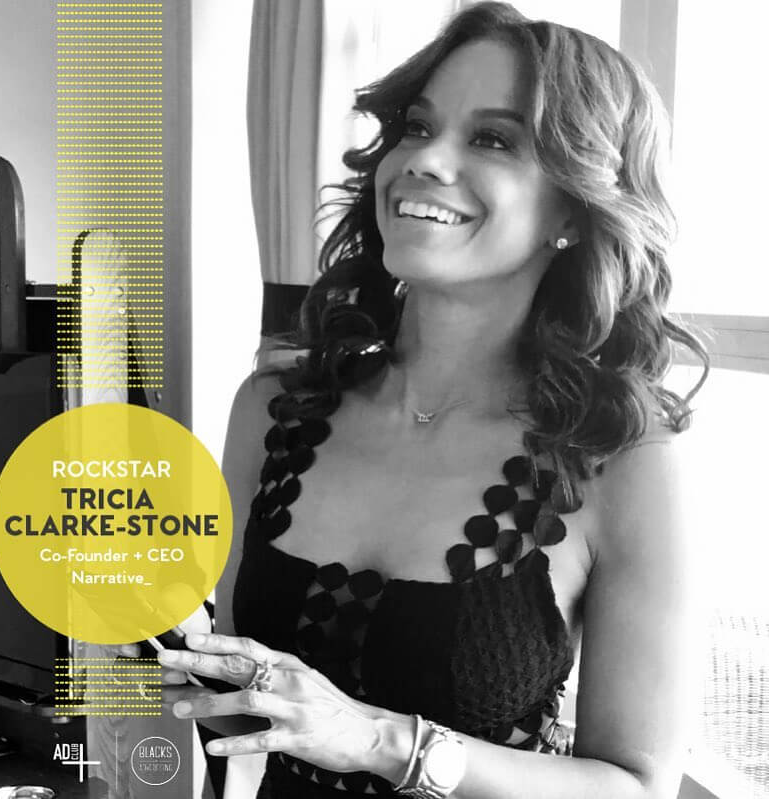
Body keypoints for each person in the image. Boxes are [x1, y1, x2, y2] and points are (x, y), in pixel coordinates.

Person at [156, 3, 709, 797]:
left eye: (493, 139)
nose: (424, 159)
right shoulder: (274, 405)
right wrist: (182, 663)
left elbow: (635, 784)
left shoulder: (622, 457)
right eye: (416, 127)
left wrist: (380, 741)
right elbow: (250, 716)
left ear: (573, 206)